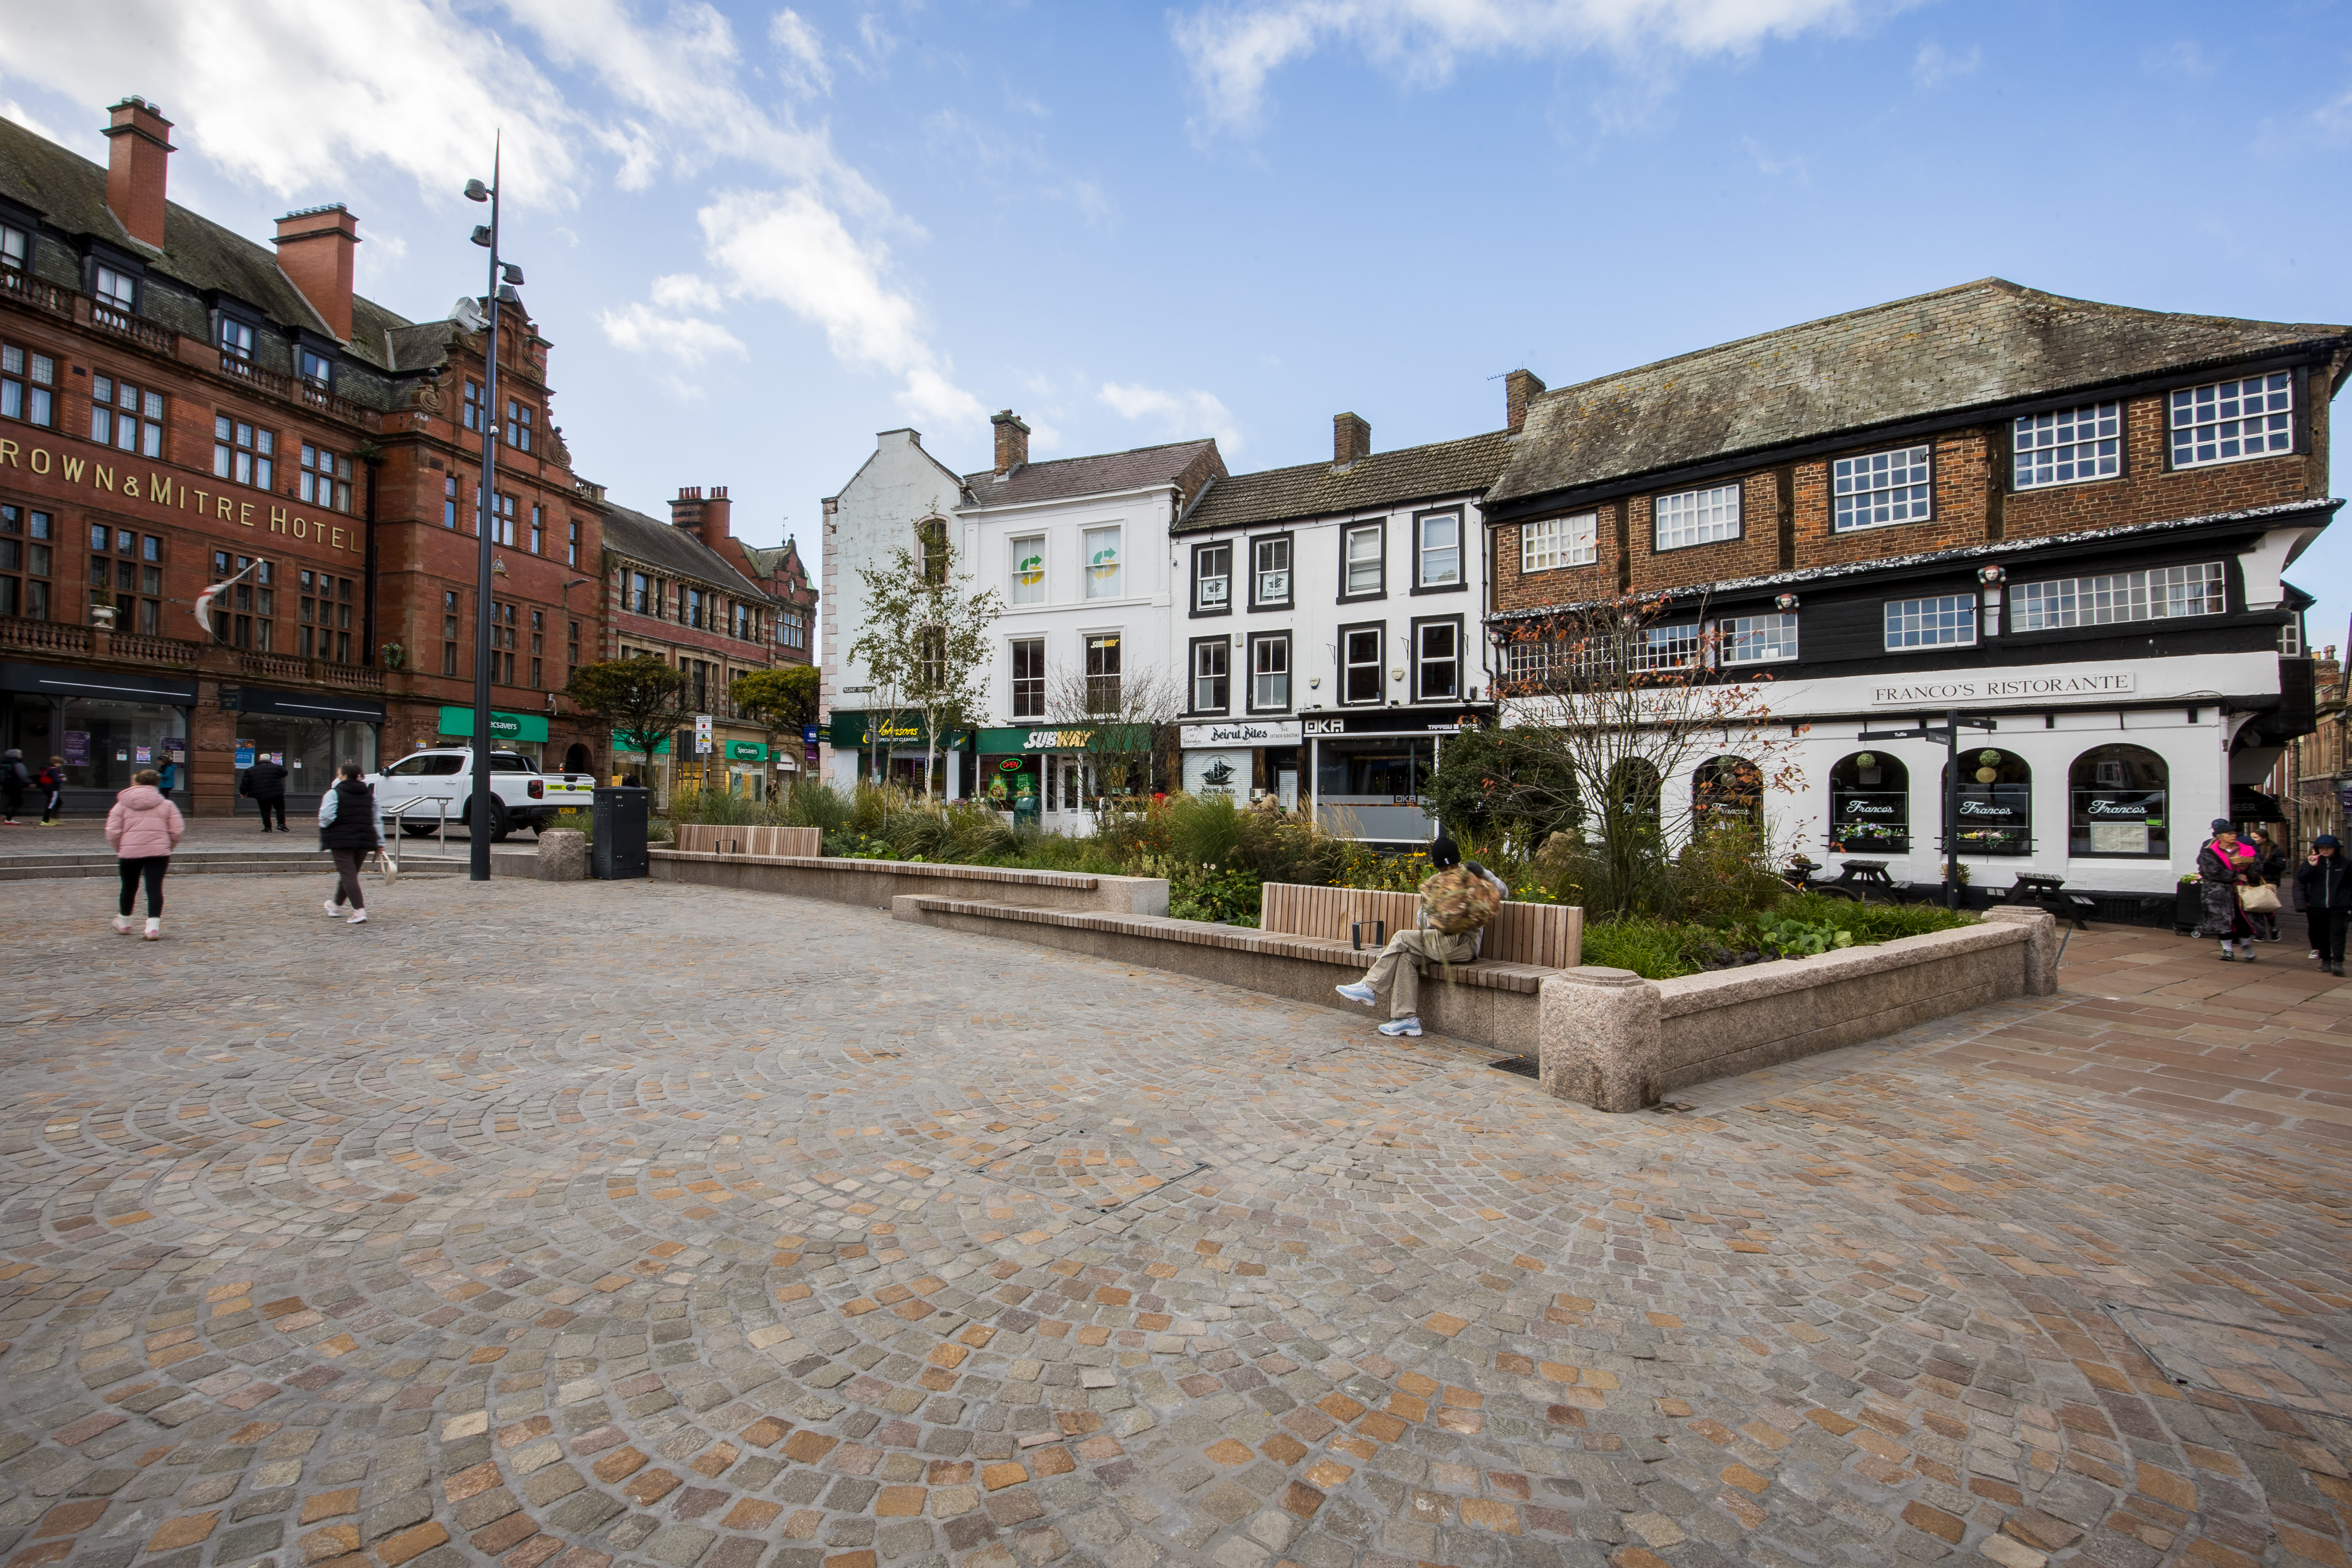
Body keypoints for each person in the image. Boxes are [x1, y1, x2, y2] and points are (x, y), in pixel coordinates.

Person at [1333, 836, 1509, 1037]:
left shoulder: (1473, 877)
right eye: (1446, 866)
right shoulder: (1436, 884)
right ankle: (1406, 1020)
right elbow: (1422, 920)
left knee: (1401, 937)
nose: (1449, 869)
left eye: (1451, 865)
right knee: (1406, 957)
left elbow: (1503, 892)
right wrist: (1440, 914)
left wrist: (1484, 874)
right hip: (1441, 940)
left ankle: (1370, 987)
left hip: (1463, 944)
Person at [105, 767, 184, 939]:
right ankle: (152, 928)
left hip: (129, 852)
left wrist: (121, 848)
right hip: (159, 853)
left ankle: (124, 922)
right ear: (157, 784)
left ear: (136, 782)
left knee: (128, 886)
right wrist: (168, 846)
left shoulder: (122, 805)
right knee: (155, 887)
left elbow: (113, 831)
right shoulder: (167, 805)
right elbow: (177, 830)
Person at [318, 760, 384, 925]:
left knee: (349, 875)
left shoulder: (334, 794)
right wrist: (380, 841)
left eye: (339, 774)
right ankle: (335, 906)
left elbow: (326, 817)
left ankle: (359, 911)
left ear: (345, 776)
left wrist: (327, 827)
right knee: (350, 874)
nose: (338, 777)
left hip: (341, 840)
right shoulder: (370, 795)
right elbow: (377, 820)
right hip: (364, 839)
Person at [2196, 819, 2260, 962]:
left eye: (2234, 834)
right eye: (2229, 834)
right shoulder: (2210, 851)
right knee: (2222, 921)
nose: (2233, 836)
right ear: (2219, 836)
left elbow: (2258, 867)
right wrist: (2236, 875)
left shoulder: (2246, 849)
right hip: (2218, 892)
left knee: (2244, 920)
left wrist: (2246, 868)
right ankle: (2227, 950)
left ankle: (2246, 946)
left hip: (2242, 891)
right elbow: (2210, 870)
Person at [2297, 834, 2352, 976]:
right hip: (2318, 905)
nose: (2325, 850)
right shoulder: (2313, 862)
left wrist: (2349, 902)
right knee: (2322, 934)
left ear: (2335, 849)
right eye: (2322, 848)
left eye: (2328, 848)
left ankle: (2338, 962)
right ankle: (2326, 961)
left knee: (2338, 934)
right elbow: (2302, 879)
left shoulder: (2346, 863)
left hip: (2339, 905)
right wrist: (2311, 866)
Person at [2252, 829, 2290, 941]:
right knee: (2255, 906)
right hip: (2255, 880)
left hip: (2269, 882)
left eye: (2255, 837)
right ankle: (2260, 933)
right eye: (2252, 837)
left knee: (2266, 907)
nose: (2253, 839)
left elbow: (2281, 867)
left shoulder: (2276, 851)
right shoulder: (2251, 849)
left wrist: (2265, 862)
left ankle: (2273, 929)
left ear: (2264, 839)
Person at [241, 752, 289, 832]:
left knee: (265, 810)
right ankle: (281, 824)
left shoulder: (251, 770)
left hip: (261, 794)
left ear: (259, 760)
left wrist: (243, 792)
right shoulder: (277, 768)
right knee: (280, 808)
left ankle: (268, 827)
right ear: (270, 760)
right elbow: (285, 773)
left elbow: (245, 783)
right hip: (277, 792)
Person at [0, 747, 27, 825]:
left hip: (6, 785)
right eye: (19, 754)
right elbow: (23, 775)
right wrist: (30, 782)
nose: (20, 756)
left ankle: (8, 818)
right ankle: (9, 819)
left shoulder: (4, 763)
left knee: (12, 801)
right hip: (16, 785)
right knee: (17, 802)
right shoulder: (17, 763)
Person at [37, 755, 64, 824]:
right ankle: (45, 821)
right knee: (51, 804)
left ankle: (53, 818)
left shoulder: (47, 769)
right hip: (53, 788)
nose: (60, 765)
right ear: (57, 763)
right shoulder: (54, 769)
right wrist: (62, 780)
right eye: (60, 764)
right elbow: (56, 780)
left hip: (46, 787)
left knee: (58, 802)